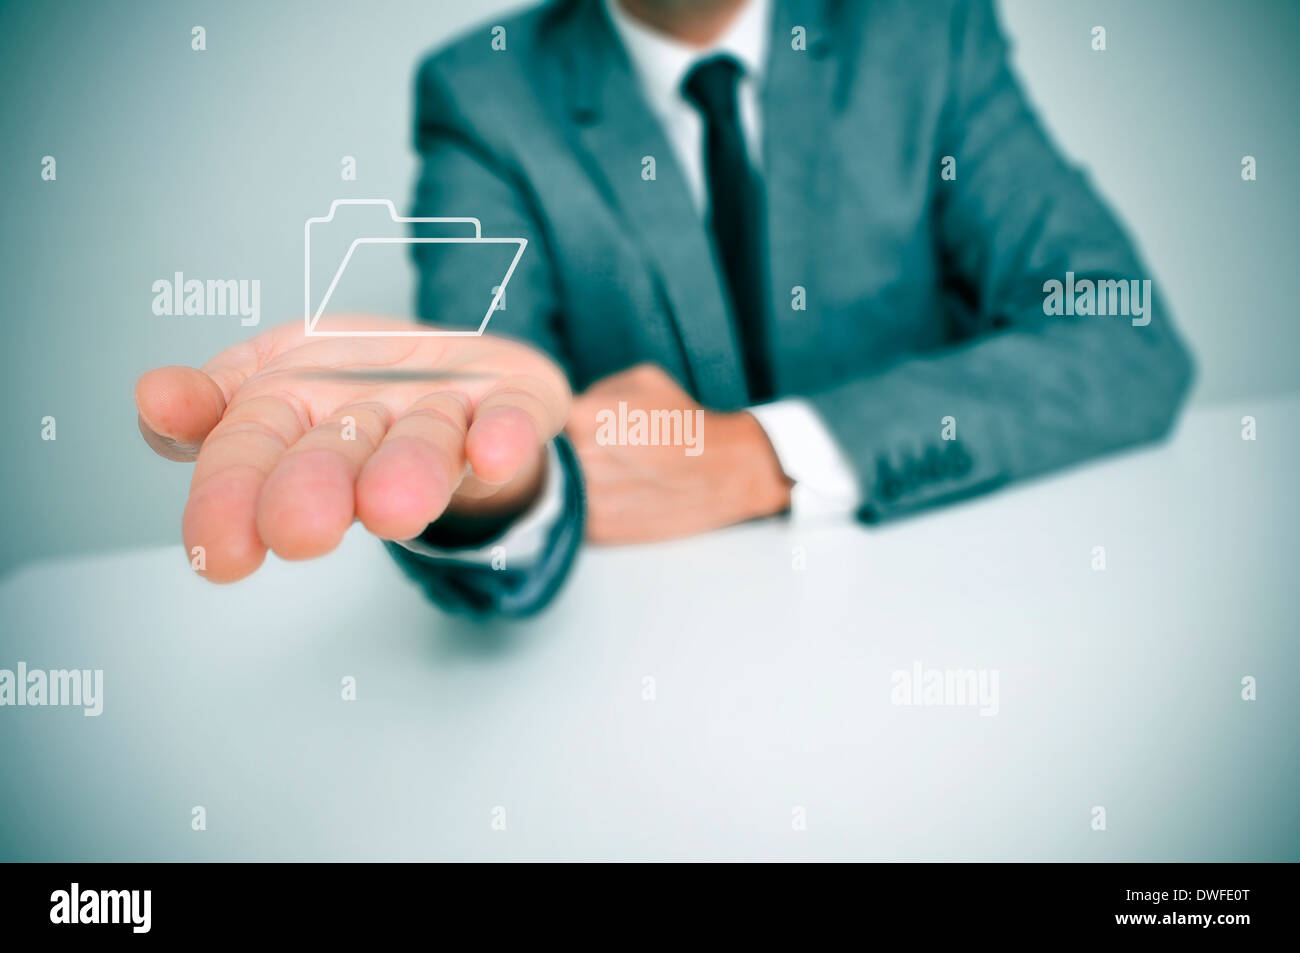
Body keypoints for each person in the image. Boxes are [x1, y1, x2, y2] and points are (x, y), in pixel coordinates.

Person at [135, 0, 1193, 616]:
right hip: (657, 679)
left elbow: (1124, 337)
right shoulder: (483, 95)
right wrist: (492, 485)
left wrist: (754, 455)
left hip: (951, 611)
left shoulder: (926, 32)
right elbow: (484, 404)